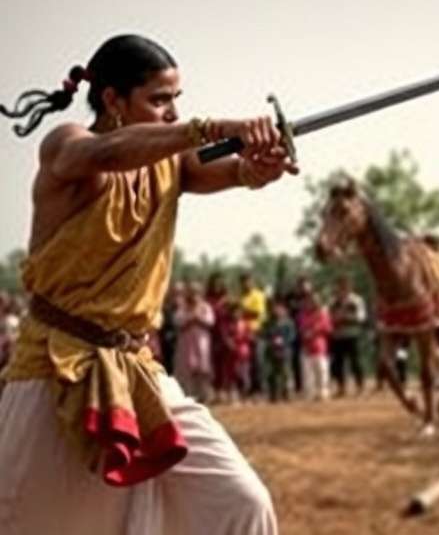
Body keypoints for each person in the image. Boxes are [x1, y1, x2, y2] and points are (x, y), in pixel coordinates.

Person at [0, 34, 296, 534]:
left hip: (138, 370)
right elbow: (109, 153)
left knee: (242, 502)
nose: (173, 113)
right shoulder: (67, 146)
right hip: (56, 371)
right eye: (159, 100)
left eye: (177, 99)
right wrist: (214, 127)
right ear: (113, 100)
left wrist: (257, 169)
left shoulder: (172, 158)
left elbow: (229, 171)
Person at [174, 281, 215, 403]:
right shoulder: (183, 307)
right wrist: (191, 318)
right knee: (187, 369)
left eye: (196, 292)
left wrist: (198, 318)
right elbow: (178, 321)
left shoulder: (205, 307)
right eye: (191, 293)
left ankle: (204, 395)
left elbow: (211, 321)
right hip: (186, 343)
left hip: (201, 342)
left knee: (202, 369)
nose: (193, 295)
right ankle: (189, 395)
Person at [329, 275, 367, 397]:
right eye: (339, 286)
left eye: (344, 286)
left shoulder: (356, 300)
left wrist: (346, 318)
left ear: (350, 287)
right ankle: (341, 387)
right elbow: (328, 317)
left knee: (356, 361)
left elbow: (361, 317)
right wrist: (335, 319)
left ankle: (360, 386)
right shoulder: (333, 301)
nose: (341, 289)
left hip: (352, 334)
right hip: (338, 336)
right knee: (338, 363)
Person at [297, 291, 333, 401]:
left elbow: (328, 328)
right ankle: (310, 394)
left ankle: (323, 392)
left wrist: (315, 330)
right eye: (310, 301)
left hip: (320, 346)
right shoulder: (302, 315)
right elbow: (301, 328)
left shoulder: (323, 313)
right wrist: (306, 332)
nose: (312, 302)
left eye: (315, 300)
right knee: (308, 373)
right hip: (306, 347)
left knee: (322, 371)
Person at [240, 273, 269, 399]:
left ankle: (261, 390)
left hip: (257, 332)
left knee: (258, 362)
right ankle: (249, 391)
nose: (246, 284)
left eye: (248, 281)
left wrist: (242, 312)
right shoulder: (240, 296)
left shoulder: (258, 295)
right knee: (246, 364)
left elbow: (258, 314)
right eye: (244, 282)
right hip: (242, 334)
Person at [263, 300, 295, 402]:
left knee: (286, 373)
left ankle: (287, 394)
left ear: (284, 310)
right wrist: (271, 341)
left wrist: (283, 342)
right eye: (275, 309)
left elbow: (292, 336)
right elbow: (264, 334)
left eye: (280, 309)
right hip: (271, 351)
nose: (277, 311)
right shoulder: (268, 322)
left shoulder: (289, 323)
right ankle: (274, 395)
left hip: (285, 351)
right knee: (272, 373)